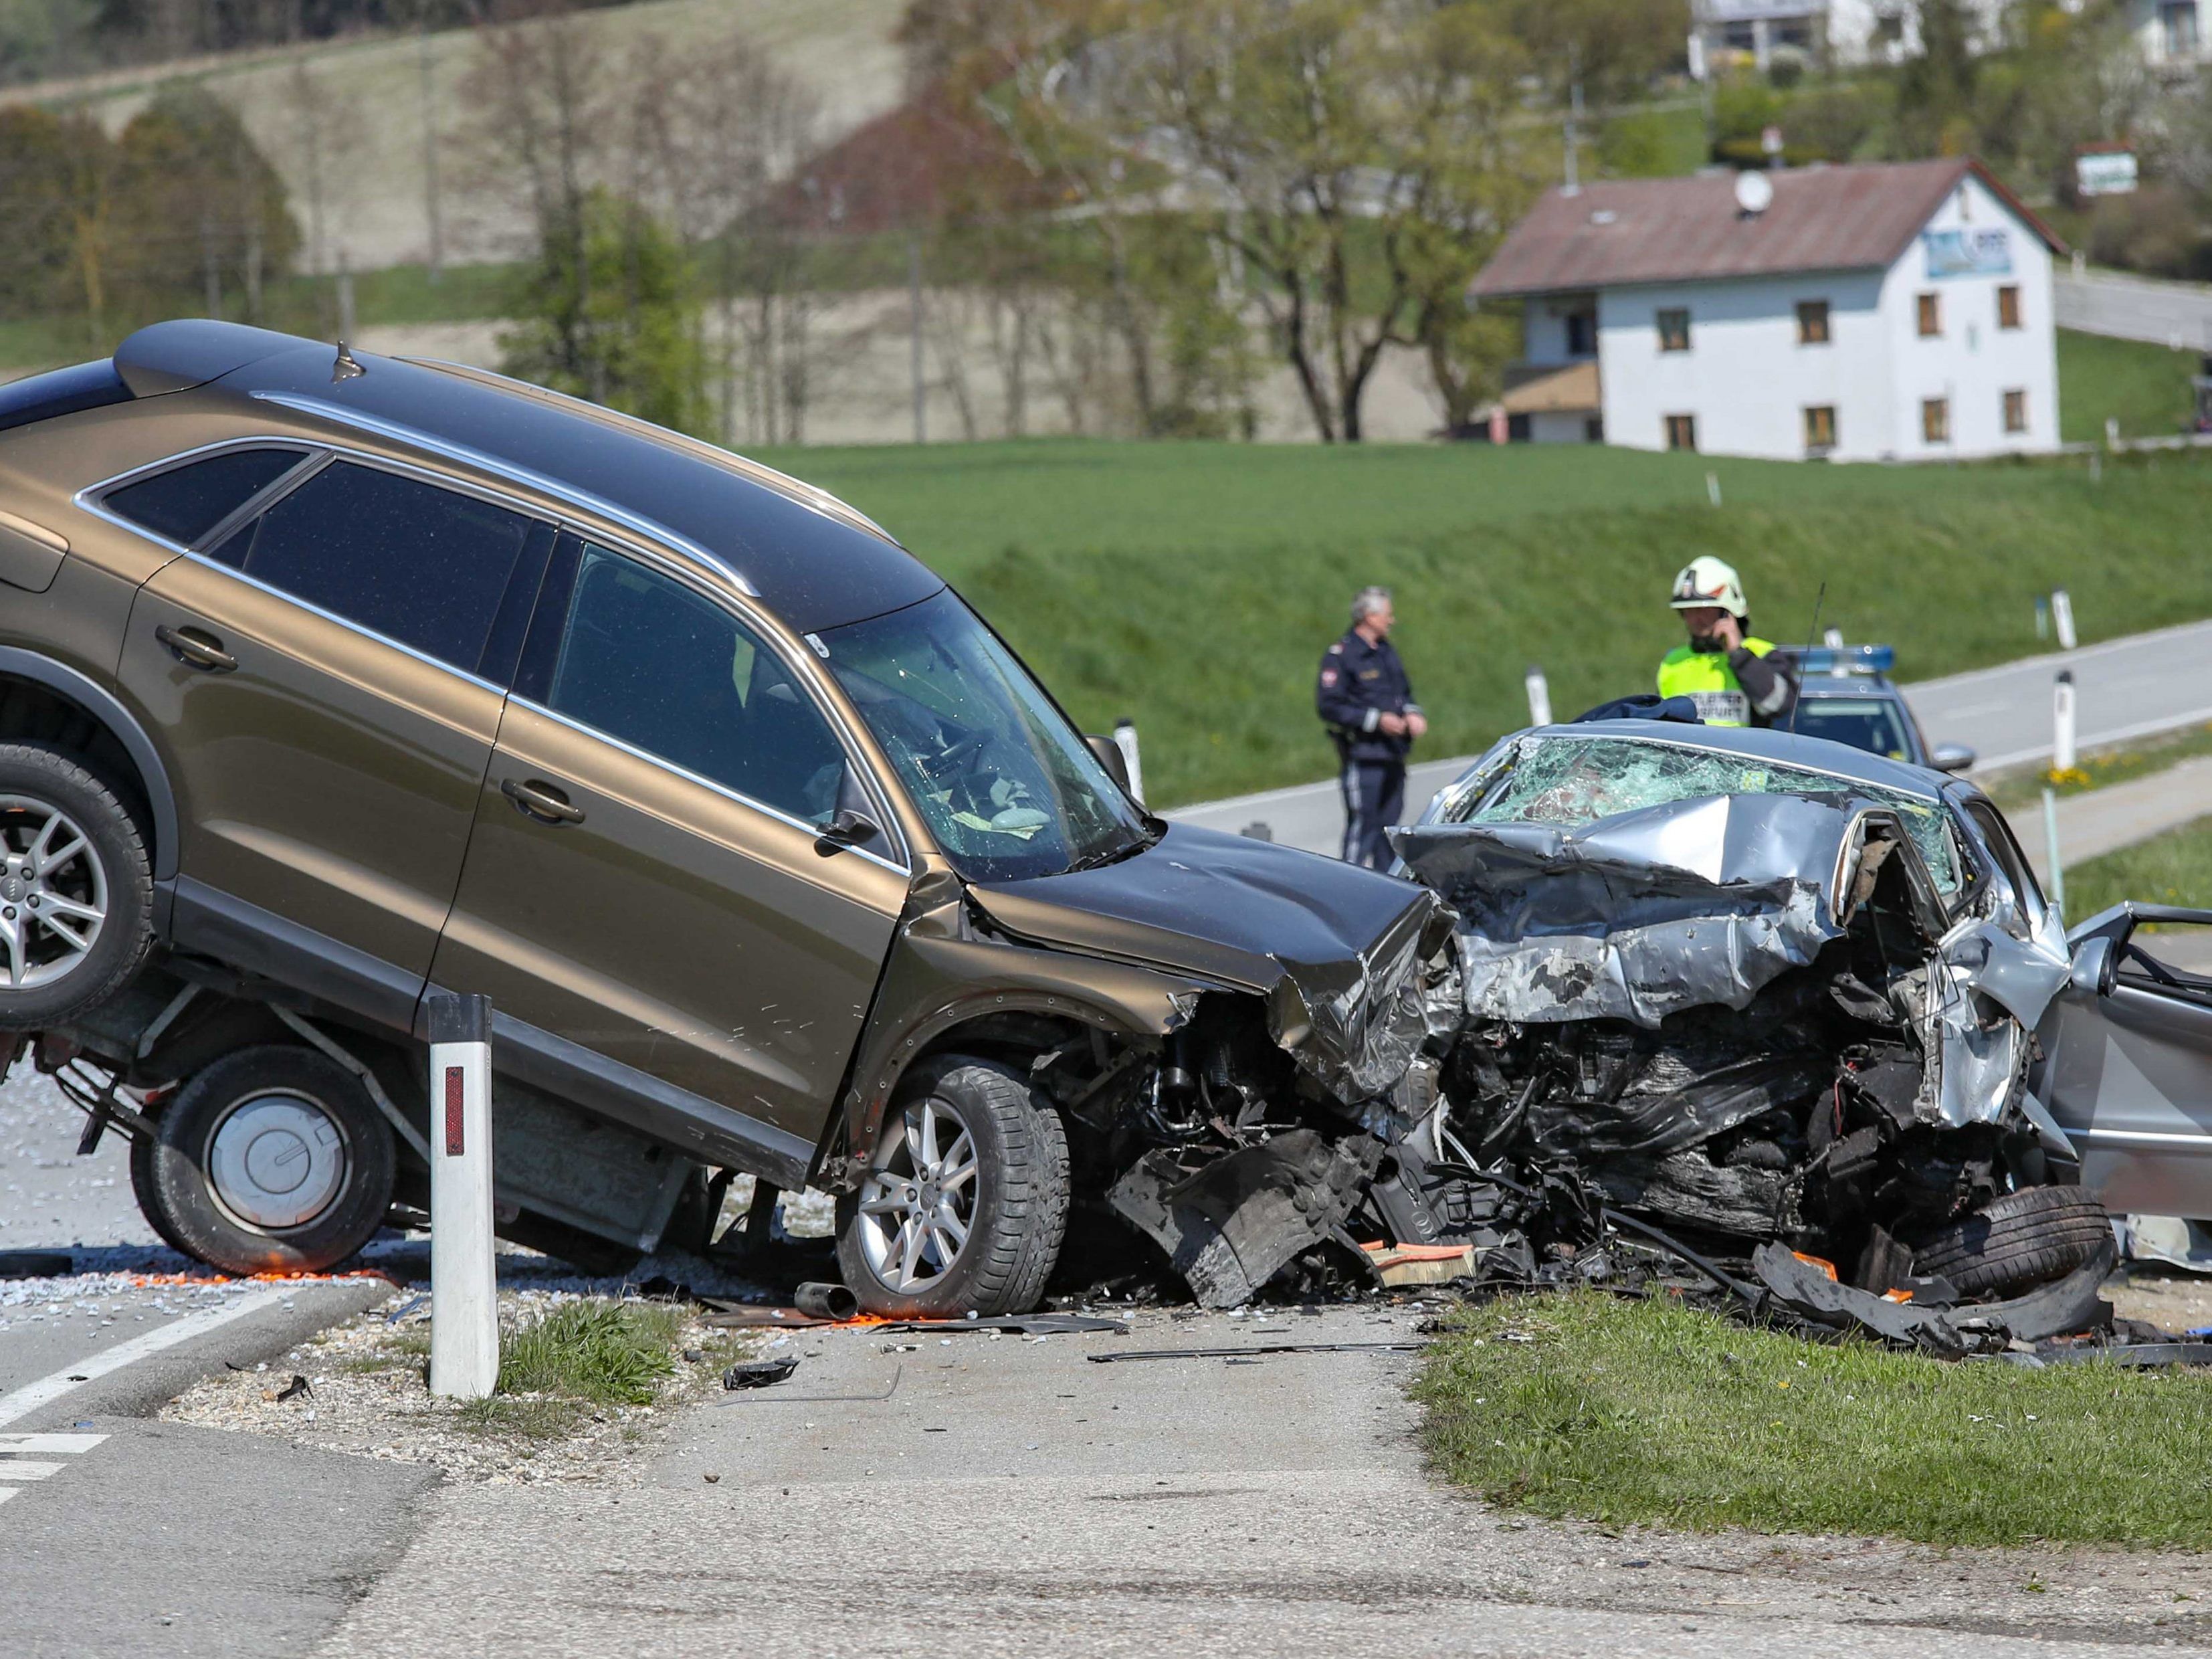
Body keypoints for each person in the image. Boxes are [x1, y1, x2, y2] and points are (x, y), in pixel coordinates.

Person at [1317, 585, 1425, 868]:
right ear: (1368, 615)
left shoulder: (1386, 652)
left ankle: (1387, 892)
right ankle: (1344, 887)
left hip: (1393, 754)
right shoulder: (1343, 656)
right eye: (1387, 614)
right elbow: (1330, 706)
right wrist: (1376, 720)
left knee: (1389, 833)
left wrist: (1413, 714)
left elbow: (1403, 693)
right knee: (1362, 829)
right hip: (1364, 757)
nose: (1392, 621)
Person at [1657, 555, 1797, 728]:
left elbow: (1779, 706)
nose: (1696, 618)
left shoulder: (1764, 654)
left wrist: (1739, 655)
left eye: (1703, 609)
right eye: (1688, 611)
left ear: (1728, 610)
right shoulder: (1672, 662)